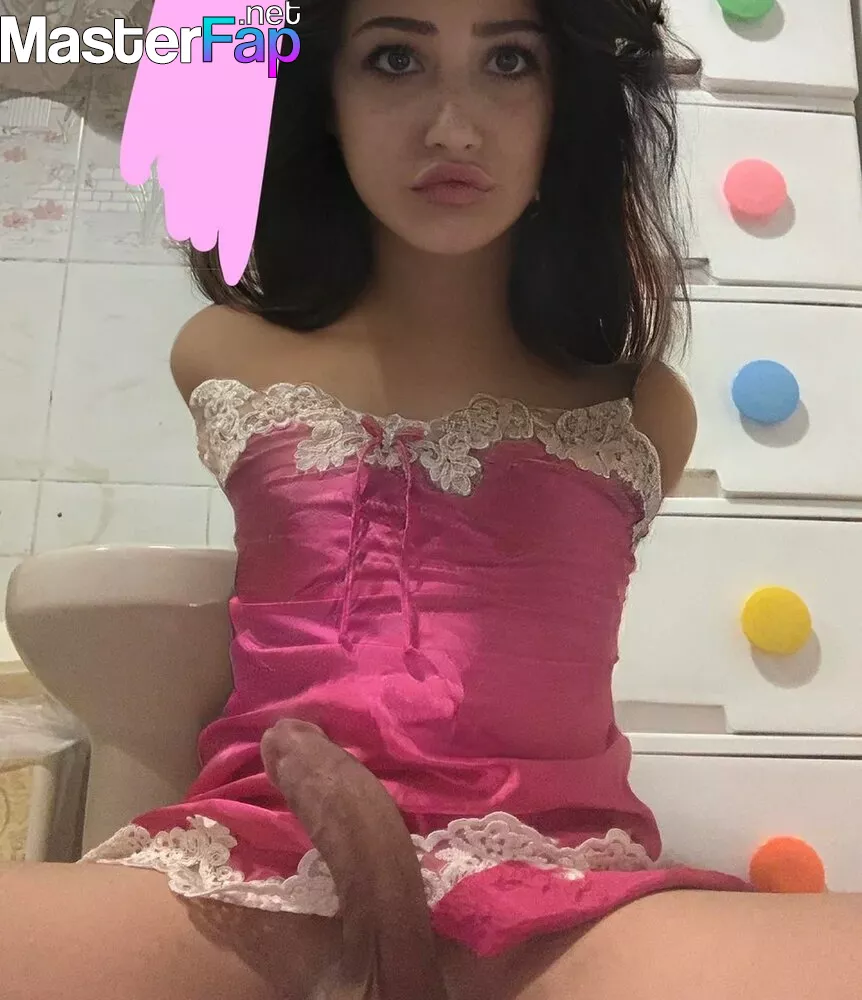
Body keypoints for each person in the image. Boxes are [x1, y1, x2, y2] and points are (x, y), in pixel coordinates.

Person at [1, 0, 861, 997]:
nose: (453, 128)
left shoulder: (645, 409)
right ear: (326, 95)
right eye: (395, 59)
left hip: (561, 887)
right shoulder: (223, 354)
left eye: (509, 61)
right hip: (261, 860)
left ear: (566, 104)